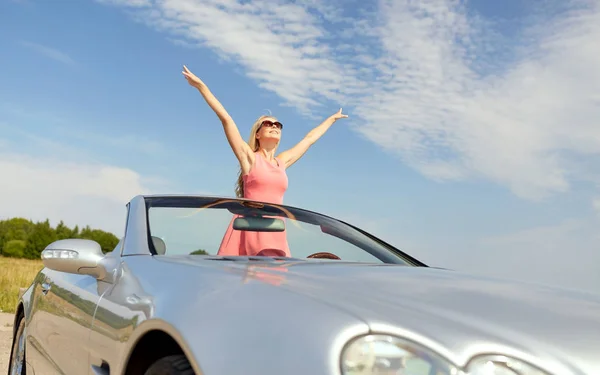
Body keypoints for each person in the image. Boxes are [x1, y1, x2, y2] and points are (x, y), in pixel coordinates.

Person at [182, 65, 348, 257]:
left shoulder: (282, 162)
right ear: (258, 133)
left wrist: (332, 119)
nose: (274, 126)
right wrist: (202, 87)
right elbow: (227, 120)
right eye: (267, 124)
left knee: (275, 280)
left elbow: (309, 139)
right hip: (249, 229)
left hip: (276, 229)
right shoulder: (249, 158)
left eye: (278, 125)